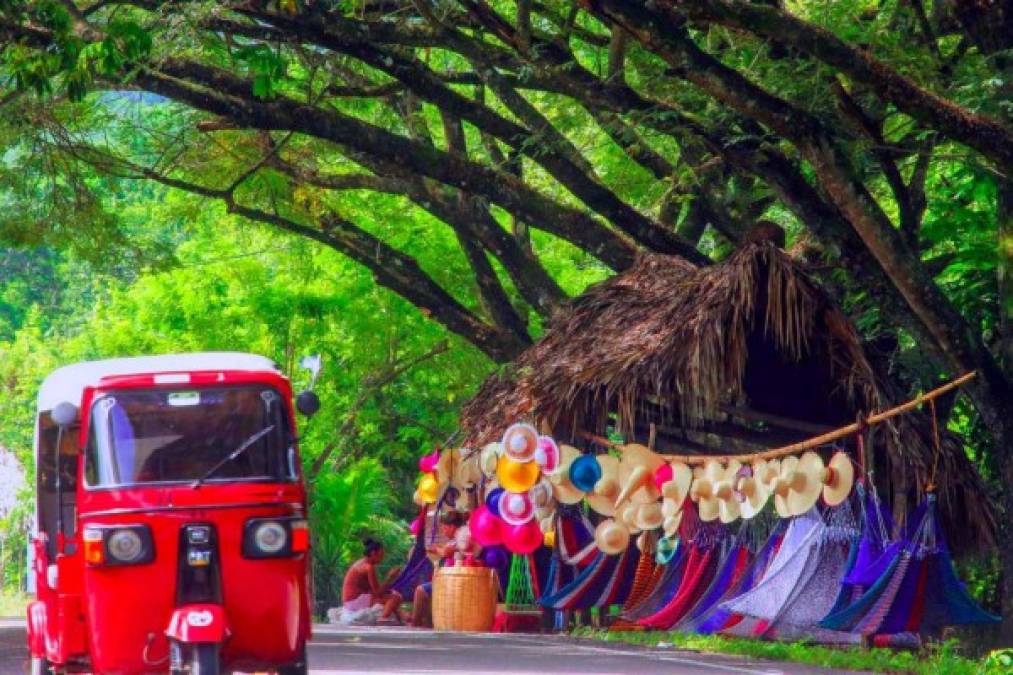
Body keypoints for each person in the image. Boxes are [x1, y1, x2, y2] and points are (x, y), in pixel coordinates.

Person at [411, 510, 473, 627]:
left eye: (445, 528)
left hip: (455, 581)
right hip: (451, 578)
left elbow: (447, 552)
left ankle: (415, 623)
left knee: (421, 590)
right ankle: (426, 623)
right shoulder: (458, 537)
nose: (444, 532)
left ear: (452, 527)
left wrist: (436, 550)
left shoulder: (462, 536)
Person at [340, 538, 403, 623]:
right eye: (381, 555)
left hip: (352, 601)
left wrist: (387, 591)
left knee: (392, 594)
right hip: (353, 603)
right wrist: (390, 577)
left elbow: (374, 590)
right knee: (396, 597)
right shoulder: (368, 567)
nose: (382, 558)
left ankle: (401, 618)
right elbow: (377, 592)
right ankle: (383, 619)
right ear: (373, 553)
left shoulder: (361, 562)